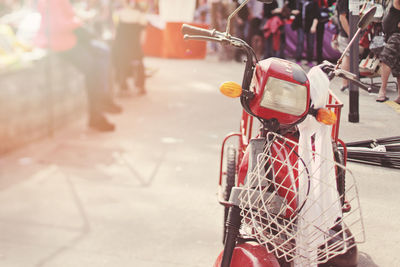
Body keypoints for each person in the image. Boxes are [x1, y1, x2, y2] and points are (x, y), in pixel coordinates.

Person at [35, 0, 119, 132]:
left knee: (101, 54)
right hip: (61, 42)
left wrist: (78, 18)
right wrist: (79, 20)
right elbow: (57, 25)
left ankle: (102, 101)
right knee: (93, 69)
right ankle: (99, 109)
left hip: (68, 38)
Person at [112, 0, 147, 95]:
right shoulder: (140, 15)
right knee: (138, 64)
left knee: (120, 64)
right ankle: (140, 86)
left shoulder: (118, 14)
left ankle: (122, 85)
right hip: (134, 46)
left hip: (121, 46)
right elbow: (143, 35)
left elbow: (114, 33)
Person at [376, 0, 400, 103]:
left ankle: (382, 90)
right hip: (390, 34)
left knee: (386, 58)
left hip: (396, 35)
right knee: (398, 67)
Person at [335, 0, 350, 91]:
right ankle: (345, 83)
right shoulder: (343, 1)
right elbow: (342, 17)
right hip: (346, 34)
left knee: (348, 57)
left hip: (345, 33)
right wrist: (350, 33)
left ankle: (346, 83)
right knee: (347, 57)